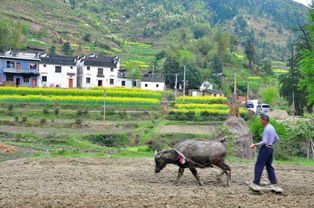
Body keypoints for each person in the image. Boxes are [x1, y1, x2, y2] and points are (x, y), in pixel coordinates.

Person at [249, 114, 283, 192]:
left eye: (261, 120)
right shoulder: (272, 127)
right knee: (269, 165)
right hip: (270, 148)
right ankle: (273, 181)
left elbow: (264, 141)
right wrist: (271, 144)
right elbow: (277, 138)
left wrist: (255, 144)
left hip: (265, 148)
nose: (260, 121)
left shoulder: (267, 129)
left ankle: (256, 182)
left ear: (264, 120)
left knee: (258, 165)